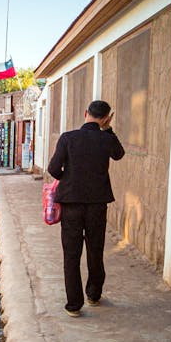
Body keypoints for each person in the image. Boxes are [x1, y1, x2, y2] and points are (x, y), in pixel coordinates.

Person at [48, 100, 125, 317]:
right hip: (97, 205)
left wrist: (69, 180)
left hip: (71, 204)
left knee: (71, 254)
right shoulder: (105, 138)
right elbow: (119, 154)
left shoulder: (68, 138)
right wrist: (108, 129)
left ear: (85, 114)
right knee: (95, 249)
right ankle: (93, 294)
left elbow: (54, 169)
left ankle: (74, 305)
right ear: (106, 118)